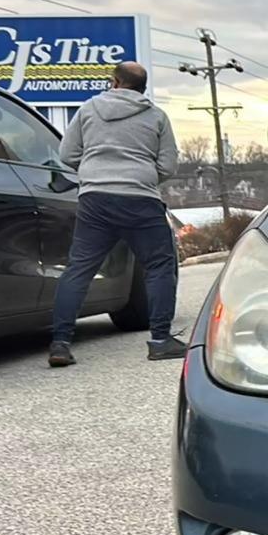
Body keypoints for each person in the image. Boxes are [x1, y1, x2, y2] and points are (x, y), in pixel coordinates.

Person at [47, 61, 186, 367]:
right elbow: (168, 166)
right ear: (143, 87)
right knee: (159, 266)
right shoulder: (156, 116)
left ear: (114, 82)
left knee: (79, 269)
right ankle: (161, 340)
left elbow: (67, 154)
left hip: (96, 200)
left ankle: (60, 343)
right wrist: (142, 177)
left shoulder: (88, 109)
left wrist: (95, 173)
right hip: (141, 200)